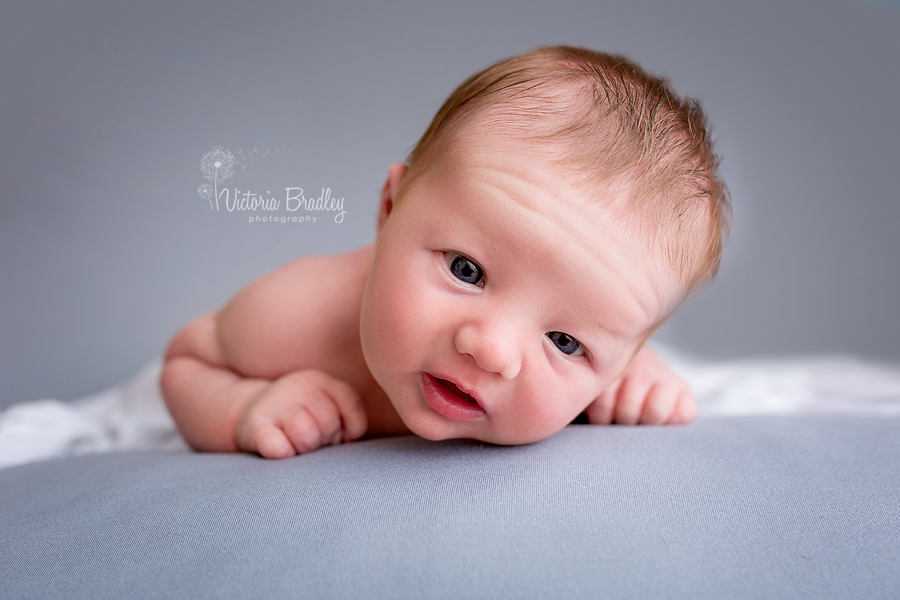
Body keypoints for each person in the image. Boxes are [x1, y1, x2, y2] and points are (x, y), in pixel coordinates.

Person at [160, 45, 730, 458]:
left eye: (565, 342)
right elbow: (187, 360)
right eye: (467, 271)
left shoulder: (606, 363)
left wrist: (637, 383)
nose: (491, 350)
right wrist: (243, 410)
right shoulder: (292, 317)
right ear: (389, 209)